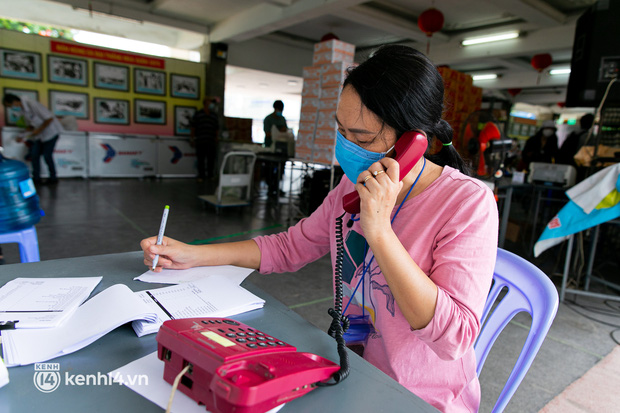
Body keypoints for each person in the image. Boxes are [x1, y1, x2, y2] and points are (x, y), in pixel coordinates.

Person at [141, 45, 498, 413]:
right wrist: (193, 254)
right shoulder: (352, 185)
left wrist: (379, 232)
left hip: (419, 397)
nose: (347, 147)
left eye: (361, 139)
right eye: (341, 131)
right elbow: (289, 247)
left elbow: (454, 338)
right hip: (354, 371)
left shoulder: (466, 204)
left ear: (413, 141)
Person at [2, 93, 64, 184]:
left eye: (10, 106)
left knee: (47, 155)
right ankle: (36, 178)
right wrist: (22, 135)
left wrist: (39, 130)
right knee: (34, 155)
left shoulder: (32, 104)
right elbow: (31, 125)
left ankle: (53, 178)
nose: (12, 108)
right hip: (39, 135)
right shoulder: (23, 111)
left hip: (51, 133)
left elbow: (49, 118)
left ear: (15, 102)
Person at [189, 97, 219, 182]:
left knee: (211, 159)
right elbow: (193, 127)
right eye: (210, 102)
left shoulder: (214, 115)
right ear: (205, 103)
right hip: (201, 140)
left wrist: (216, 138)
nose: (211, 104)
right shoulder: (198, 114)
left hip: (211, 141)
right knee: (201, 159)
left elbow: (216, 128)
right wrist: (192, 139)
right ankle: (201, 176)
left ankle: (210, 175)